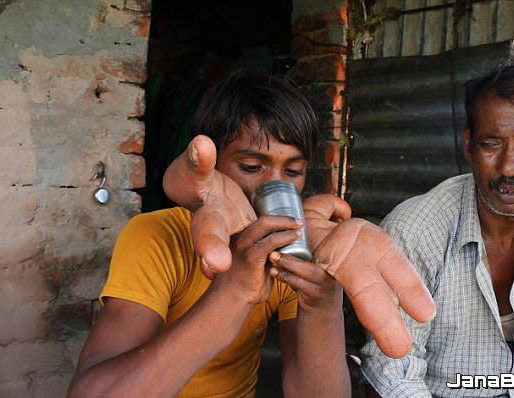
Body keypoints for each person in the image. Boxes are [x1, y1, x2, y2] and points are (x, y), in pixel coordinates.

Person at [67, 72, 352, 397]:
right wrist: (231, 294)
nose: (276, 187)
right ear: (211, 167)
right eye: (250, 167)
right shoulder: (158, 236)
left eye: (293, 172)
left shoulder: (290, 255)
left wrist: (324, 303)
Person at [361, 55, 514, 398]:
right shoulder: (417, 230)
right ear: (469, 145)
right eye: (492, 143)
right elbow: (394, 377)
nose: (510, 167)